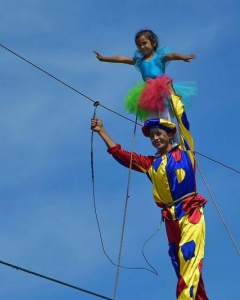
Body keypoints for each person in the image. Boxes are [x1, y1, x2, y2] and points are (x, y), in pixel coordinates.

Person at [91, 83, 209, 300]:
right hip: (169, 216)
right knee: (178, 260)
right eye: (152, 136)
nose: (155, 138)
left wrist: (172, 93)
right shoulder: (150, 163)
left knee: (189, 254)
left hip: (190, 210)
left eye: (159, 134)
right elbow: (123, 156)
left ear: (168, 135)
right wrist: (102, 132)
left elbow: (182, 118)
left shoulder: (184, 149)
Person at [93, 29, 197, 121]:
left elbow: (172, 55)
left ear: (153, 43)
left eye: (144, 43)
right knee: (152, 115)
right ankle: (155, 129)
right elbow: (121, 58)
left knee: (165, 113)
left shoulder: (159, 57)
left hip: (162, 87)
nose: (142, 47)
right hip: (149, 90)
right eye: (139, 45)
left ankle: (173, 137)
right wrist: (104, 59)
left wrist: (183, 57)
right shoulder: (139, 61)